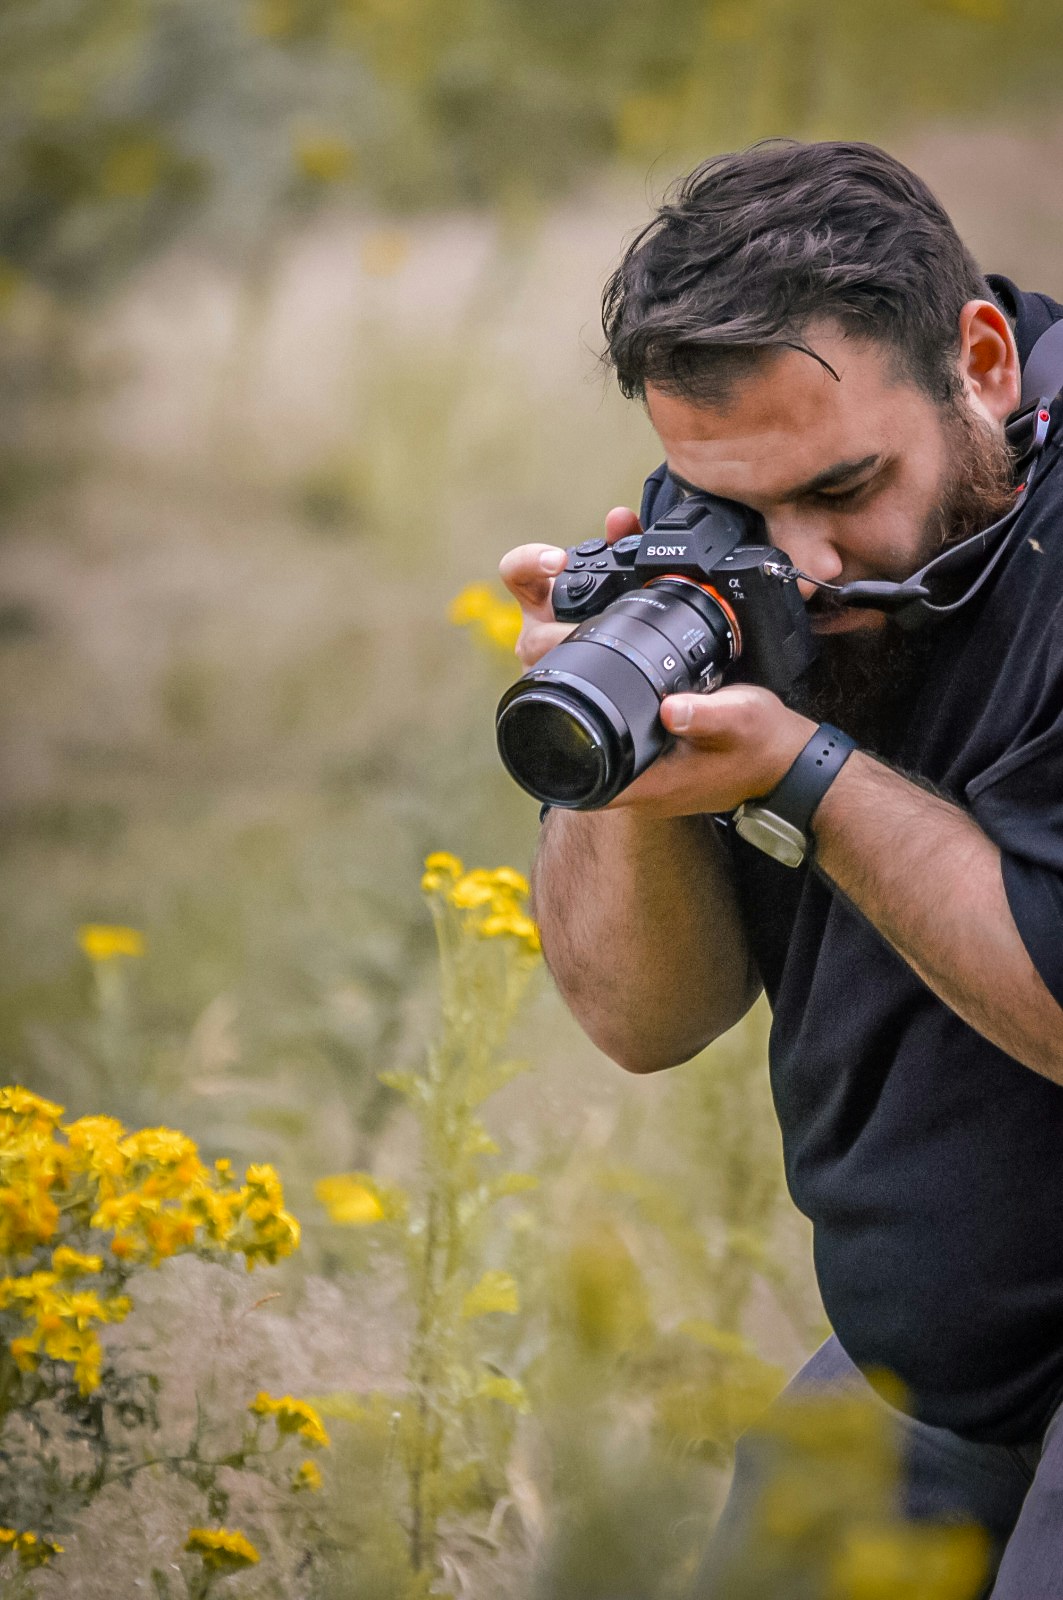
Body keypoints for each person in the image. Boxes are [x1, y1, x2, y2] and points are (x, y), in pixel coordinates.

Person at [498, 140, 1063, 1596]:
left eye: (846, 487)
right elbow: (642, 1022)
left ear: (983, 363)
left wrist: (803, 777)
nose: (804, 571)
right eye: (746, 511)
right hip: (919, 1382)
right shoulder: (724, 541)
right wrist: (630, 746)